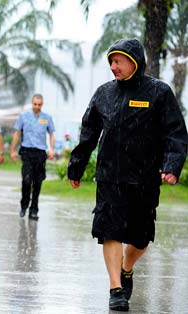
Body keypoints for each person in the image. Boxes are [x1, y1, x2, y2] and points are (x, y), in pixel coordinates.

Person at [67, 38, 188, 312]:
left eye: (118, 61)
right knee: (109, 231)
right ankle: (115, 288)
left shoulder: (158, 92)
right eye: (111, 61)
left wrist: (172, 164)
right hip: (110, 176)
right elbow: (88, 134)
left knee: (140, 238)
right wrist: (76, 166)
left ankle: (126, 267)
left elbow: (176, 133)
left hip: (144, 179)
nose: (113, 67)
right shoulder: (103, 93)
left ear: (135, 61)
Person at [10, 94, 55, 220]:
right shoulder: (24, 116)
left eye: (39, 104)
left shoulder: (47, 118)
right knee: (26, 180)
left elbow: (51, 134)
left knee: (38, 182)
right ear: (32, 103)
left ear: (42, 104)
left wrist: (51, 149)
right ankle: (24, 205)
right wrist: (12, 150)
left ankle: (34, 209)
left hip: (40, 152)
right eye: (35, 104)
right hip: (27, 151)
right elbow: (17, 133)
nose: (37, 107)